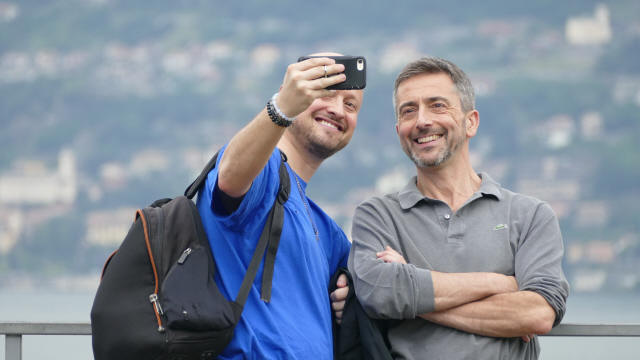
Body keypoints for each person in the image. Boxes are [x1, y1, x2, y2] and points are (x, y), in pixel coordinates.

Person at [348, 56, 569, 359]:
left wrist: (412, 291)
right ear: (399, 129)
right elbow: (379, 293)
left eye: (438, 105)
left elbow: (537, 314)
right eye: (408, 110)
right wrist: (500, 284)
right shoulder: (378, 215)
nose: (422, 120)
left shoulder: (529, 215)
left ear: (471, 122)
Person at [196, 53, 360, 359]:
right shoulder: (265, 172)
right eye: (326, 93)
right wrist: (281, 107)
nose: (338, 109)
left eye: (350, 104)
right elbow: (230, 179)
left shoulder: (327, 230)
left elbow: (371, 282)